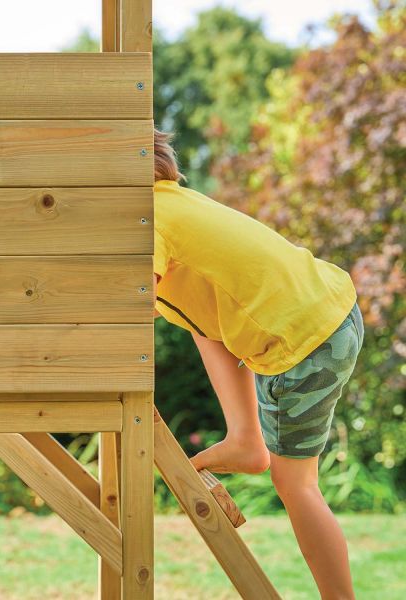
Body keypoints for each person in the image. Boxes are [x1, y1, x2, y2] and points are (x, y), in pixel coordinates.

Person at [152, 127, 364, 600]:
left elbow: (129, 301)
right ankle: (245, 437)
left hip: (302, 337)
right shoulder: (174, 200)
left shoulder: (148, 218)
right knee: (196, 314)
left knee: (297, 485)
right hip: (327, 311)